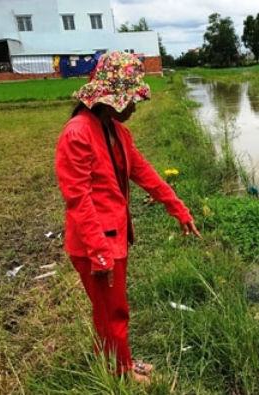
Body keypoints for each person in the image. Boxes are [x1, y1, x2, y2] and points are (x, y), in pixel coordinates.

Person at [55, 51, 201, 383]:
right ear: (112, 99)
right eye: (131, 99)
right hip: (96, 242)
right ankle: (119, 372)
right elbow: (78, 198)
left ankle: (119, 360)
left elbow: (145, 173)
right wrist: (99, 250)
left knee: (112, 308)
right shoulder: (78, 133)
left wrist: (178, 209)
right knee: (112, 311)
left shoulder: (117, 133)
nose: (135, 106)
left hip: (112, 236)